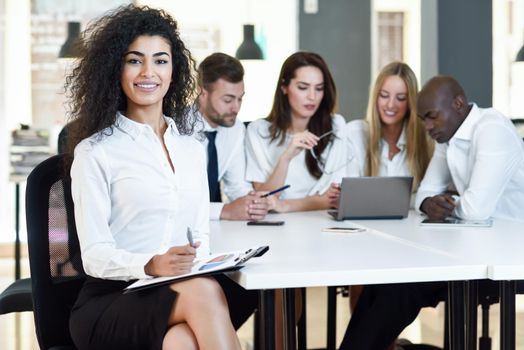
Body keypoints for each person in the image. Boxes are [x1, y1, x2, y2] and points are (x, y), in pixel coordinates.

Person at [66, 6, 244, 350]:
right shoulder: (96, 152)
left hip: (177, 292)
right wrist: (150, 264)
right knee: (205, 292)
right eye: (135, 60)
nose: (149, 72)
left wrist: (205, 260)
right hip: (111, 300)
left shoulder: (192, 146)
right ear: (115, 68)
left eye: (160, 60)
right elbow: (94, 255)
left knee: (184, 342)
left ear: (173, 69)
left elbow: (199, 234)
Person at [339, 75, 524, 350]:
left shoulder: (492, 129)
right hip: (473, 249)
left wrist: (450, 203)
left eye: (432, 117)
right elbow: (424, 194)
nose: (427, 126)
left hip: (507, 259)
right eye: (423, 119)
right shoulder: (447, 138)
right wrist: (429, 204)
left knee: (402, 286)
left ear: (458, 104)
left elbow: (476, 210)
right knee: (387, 279)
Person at [344, 62, 434, 312]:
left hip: (410, 237)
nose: (390, 105)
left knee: (397, 289)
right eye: (384, 96)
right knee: (362, 270)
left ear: (411, 103)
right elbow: (349, 191)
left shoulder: (425, 142)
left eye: (400, 98)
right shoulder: (356, 133)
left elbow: (431, 193)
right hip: (364, 235)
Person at [245, 51, 348, 212]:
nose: (312, 96)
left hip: (323, 225)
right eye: (303, 87)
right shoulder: (258, 131)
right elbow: (263, 199)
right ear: (284, 87)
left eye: (319, 88)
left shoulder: (336, 126)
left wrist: (285, 205)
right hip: (276, 228)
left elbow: (334, 198)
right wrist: (285, 158)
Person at [194, 52, 269, 220]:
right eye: (228, 100)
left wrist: (252, 202)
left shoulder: (235, 128)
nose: (236, 108)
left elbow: (237, 187)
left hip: (214, 229)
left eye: (240, 99)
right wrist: (225, 211)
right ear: (202, 93)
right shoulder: (176, 129)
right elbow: (177, 201)